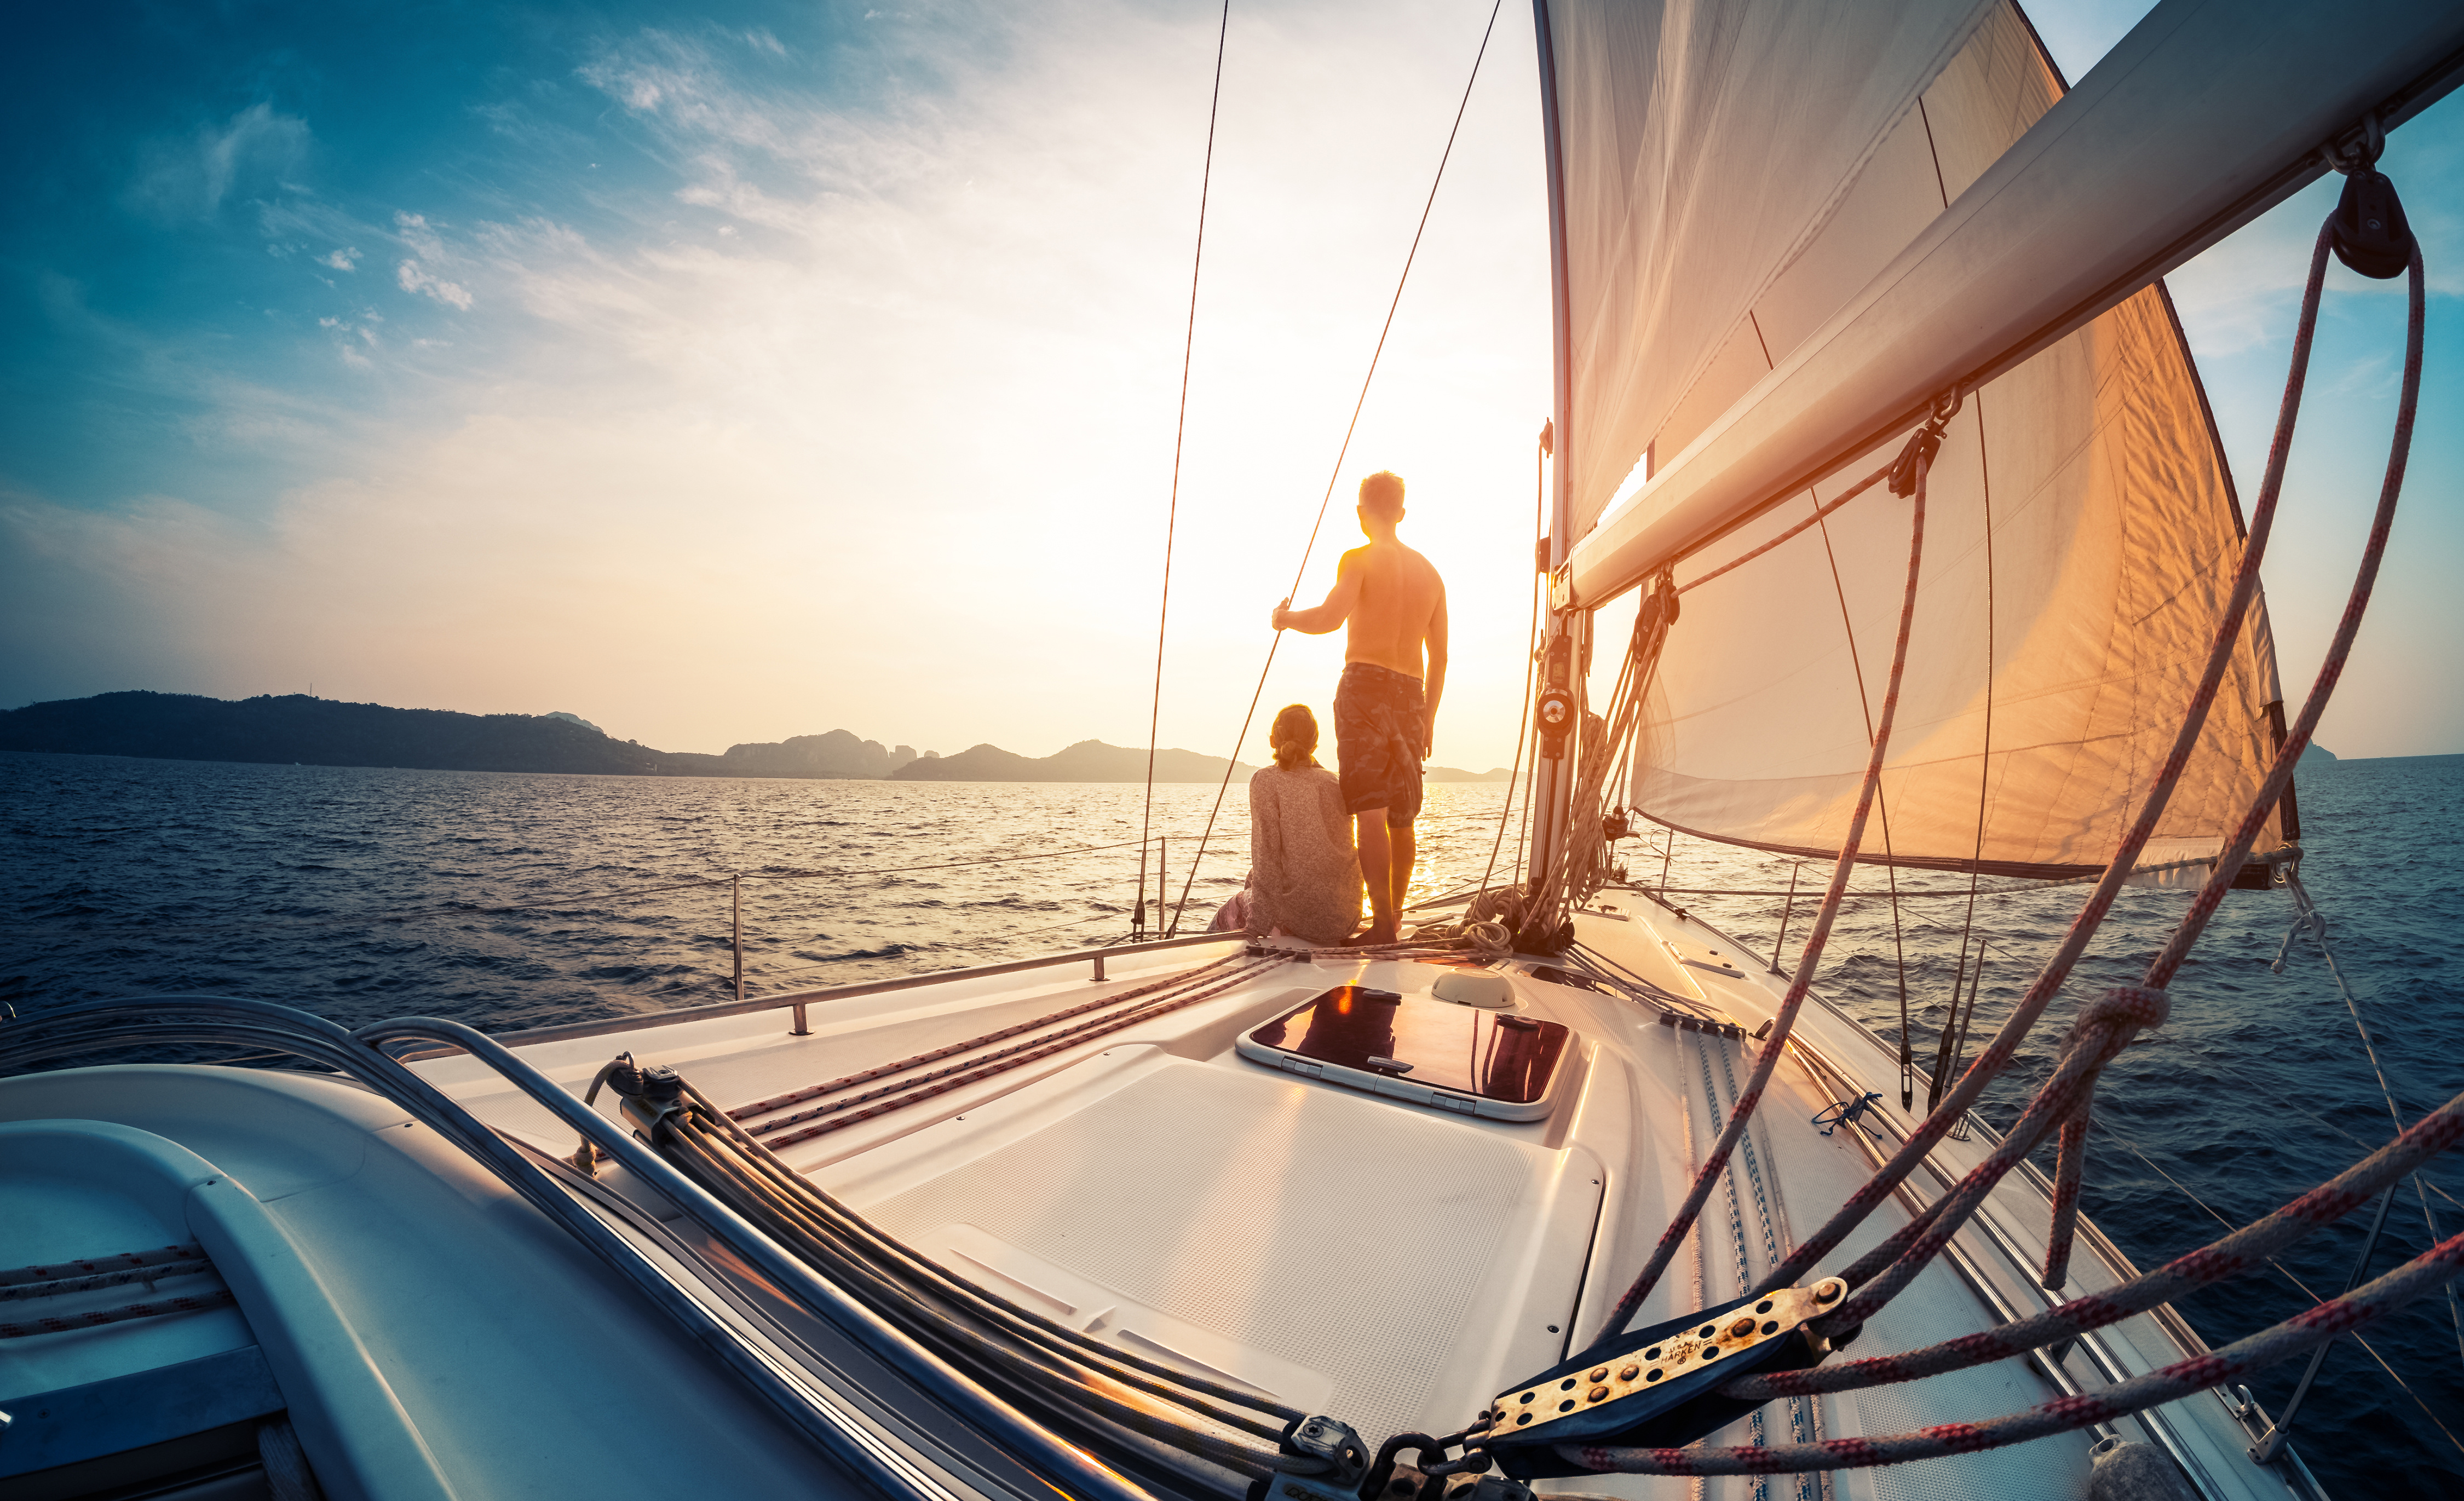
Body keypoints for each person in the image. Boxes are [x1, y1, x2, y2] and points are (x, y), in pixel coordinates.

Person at [1269, 470, 1447, 945]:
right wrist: (1428, 715)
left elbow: (1329, 619)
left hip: (1366, 688)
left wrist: (1284, 619)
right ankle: (1394, 918)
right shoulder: (1431, 574)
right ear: (1403, 513)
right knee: (1404, 816)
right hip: (1412, 695)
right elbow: (1442, 656)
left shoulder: (1358, 559)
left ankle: (1383, 925)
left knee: (1371, 813)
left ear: (1361, 512)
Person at [1235, 705, 1363, 946]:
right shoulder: (1334, 782)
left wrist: (1256, 927)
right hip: (1345, 918)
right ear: (1315, 744)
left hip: (1302, 920)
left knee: (1230, 911)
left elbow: (1267, 860)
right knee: (1253, 878)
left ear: (1273, 740)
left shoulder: (1266, 781)